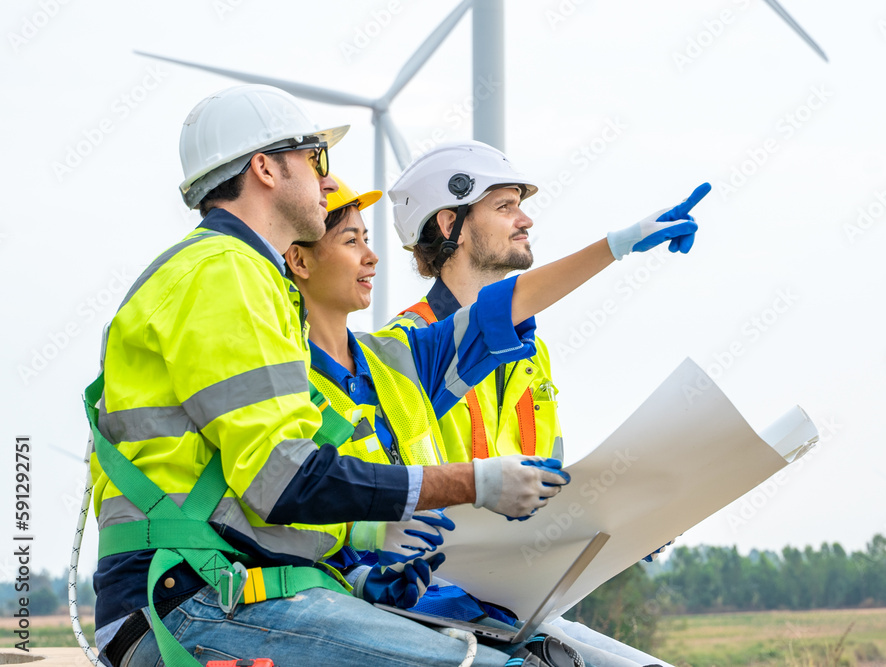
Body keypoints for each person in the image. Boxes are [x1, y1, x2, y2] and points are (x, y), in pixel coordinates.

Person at [86, 84, 576, 667]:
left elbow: (262, 485)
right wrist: (473, 482)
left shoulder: (239, 277)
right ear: (264, 168)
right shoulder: (226, 274)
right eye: (314, 159)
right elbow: (285, 481)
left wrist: (363, 575)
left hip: (228, 589)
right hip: (193, 601)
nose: (326, 180)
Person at [288, 166, 706, 666]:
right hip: (417, 601)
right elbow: (278, 500)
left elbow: (505, 308)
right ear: (298, 260)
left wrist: (617, 245)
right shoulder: (290, 385)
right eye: (351, 239)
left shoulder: (401, 358)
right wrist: (367, 543)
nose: (372, 256)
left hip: (488, 599)